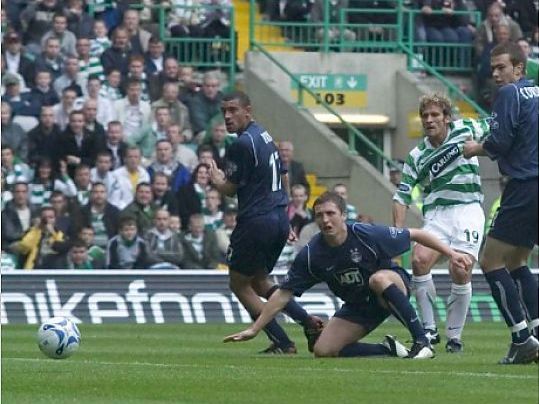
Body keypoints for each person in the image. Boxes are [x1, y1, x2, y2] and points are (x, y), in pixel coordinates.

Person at [224, 191, 472, 359]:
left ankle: (422, 342)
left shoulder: (366, 234)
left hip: (389, 287)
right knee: (323, 350)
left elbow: (417, 234)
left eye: (331, 213)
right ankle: (388, 350)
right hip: (358, 306)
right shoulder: (311, 255)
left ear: (343, 215)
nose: (325, 220)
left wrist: (451, 254)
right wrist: (255, 329)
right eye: (319, 215)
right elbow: (282, 295)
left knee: (378, 279)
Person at [209, 91, 323, 354]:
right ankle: (308, 322)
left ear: (248, 111)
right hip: (277, 218)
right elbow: (283, 174)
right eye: (224, 111)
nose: (227, 116)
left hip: (256, 221)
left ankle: (282, 342)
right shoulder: (265, 135)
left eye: (233, 110)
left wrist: (216, 179)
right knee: (260, 281)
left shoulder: (241, 145)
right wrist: (284, 214)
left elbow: (230, 189)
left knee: (238, 283)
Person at [393, 93, 489, 353]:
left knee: (462, 268)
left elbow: (499, 129)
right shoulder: (416, 155)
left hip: (468, 209)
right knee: (419, 259)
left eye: (435, 115)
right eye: (425, 115)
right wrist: (397, 236)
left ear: (447, 118)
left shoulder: (467, 128)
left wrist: (482, 149)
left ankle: (454, 336)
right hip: (436, 215)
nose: (429, 120)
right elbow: (401, 196)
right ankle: (428, 329)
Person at [463, 42, 539, 364]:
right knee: (518, 261)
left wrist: (475, 148)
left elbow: (501, 140)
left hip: (523, 185)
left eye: (501, 67)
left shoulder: (510, 94)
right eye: (493, 69)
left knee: (490, 261)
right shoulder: (536, 93)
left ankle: (522, 338)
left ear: (518, 68)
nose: (495, 74)